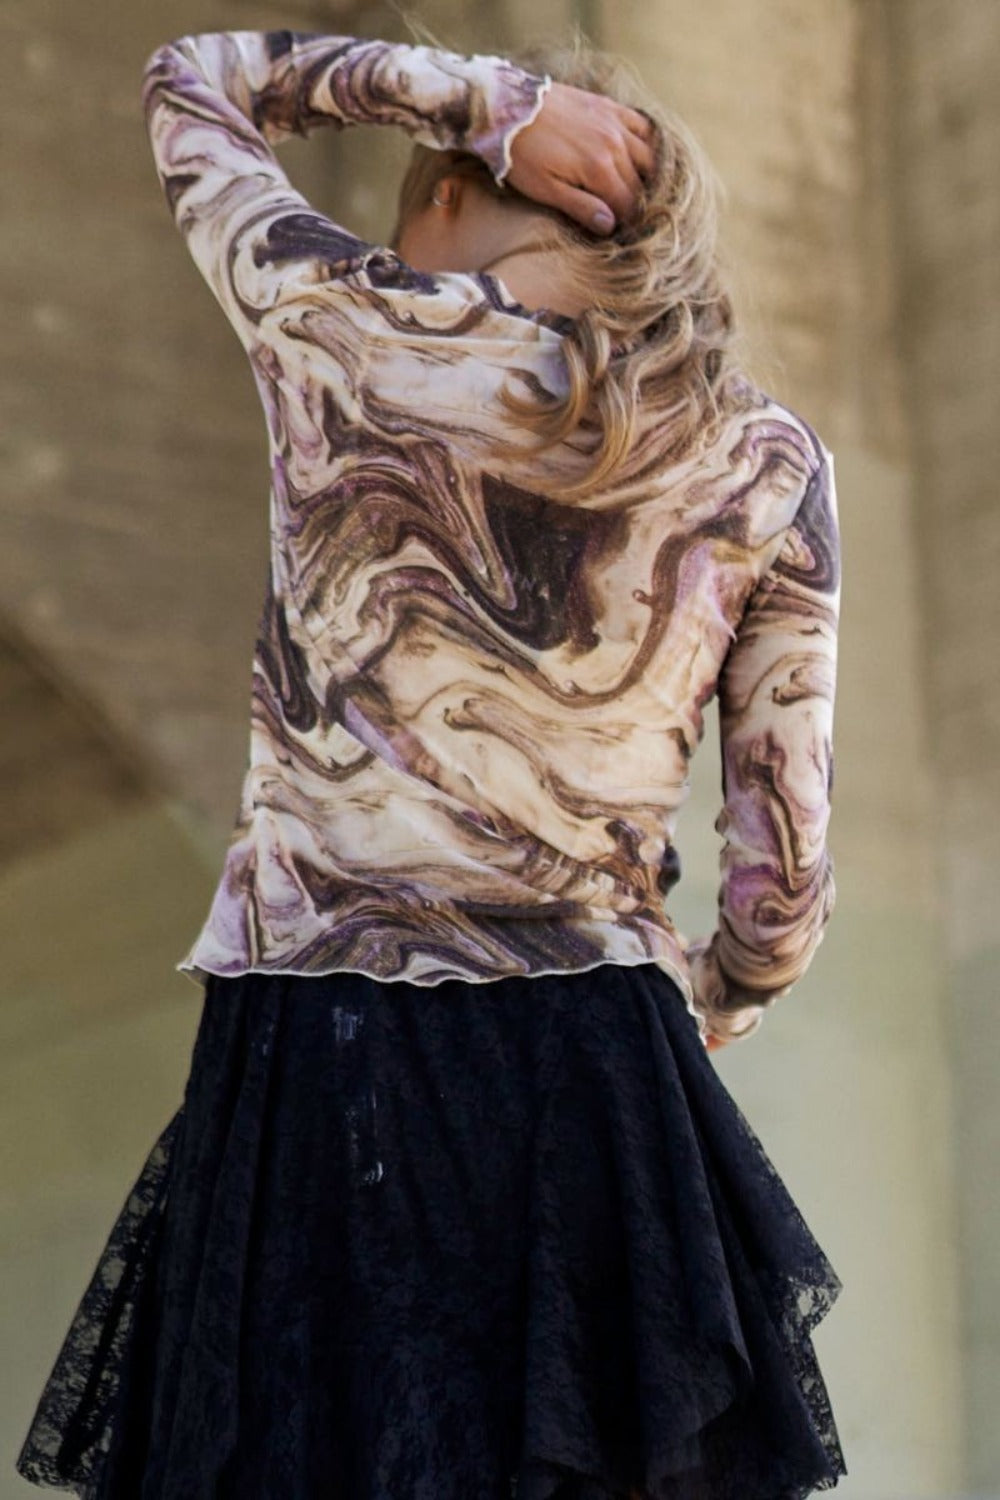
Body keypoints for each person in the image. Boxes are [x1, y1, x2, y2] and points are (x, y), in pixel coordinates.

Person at [15, 26, 846, 1500]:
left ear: (452, 195)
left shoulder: (346, 323)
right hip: (602, 1070)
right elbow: (782, 883)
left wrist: (491, 103)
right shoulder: (765, 458)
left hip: (319, 1058)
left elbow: (193, 81)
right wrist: (710, 997)